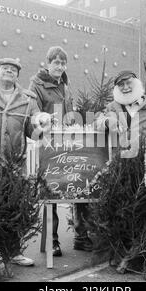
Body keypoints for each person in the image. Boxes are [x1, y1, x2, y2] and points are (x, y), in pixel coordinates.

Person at [0, 57, 50, 267]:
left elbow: (32, 131)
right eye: (5, 69)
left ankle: (14, 253)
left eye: (13, 70)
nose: (9, 72)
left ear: (18, 76)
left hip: (14, 165)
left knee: (12, 210)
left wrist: (42, 128)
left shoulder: (29, 99)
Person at [29, 46, 93, 256]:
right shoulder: (36, 85)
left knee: (79, 187)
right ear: (48, 63)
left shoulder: (65, 85)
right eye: (56, 62)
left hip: (68, 143)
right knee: (51, 193)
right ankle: (52, 241)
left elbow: (70, 113)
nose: (60, 66)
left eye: (63, 63)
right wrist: (46, 124)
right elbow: (34, 113)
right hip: (49, 145)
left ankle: (82, 237)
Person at [98, 70, 146, 157]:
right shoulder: (111, 107)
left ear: (137, 84)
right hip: (120, 163)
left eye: (129, 83)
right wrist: (107, 121)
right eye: (121, 84)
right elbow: (96, 124)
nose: (125, 87)